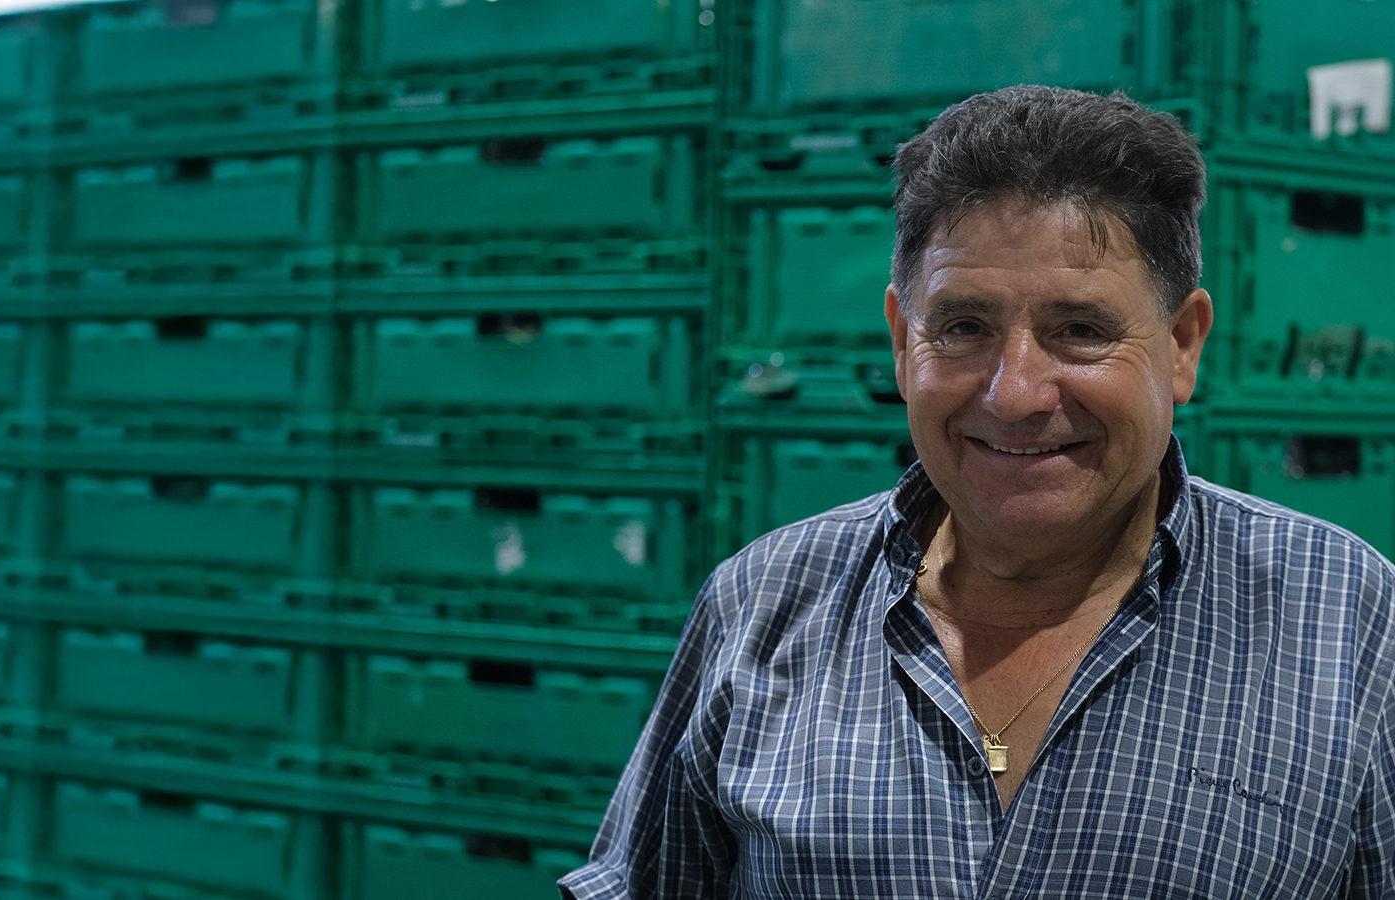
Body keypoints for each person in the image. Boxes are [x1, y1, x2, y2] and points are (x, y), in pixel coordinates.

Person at [558, 85, 1395, 899]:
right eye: (963, 328)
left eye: (1080, 330)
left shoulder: (1349, 621)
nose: (1015, 393)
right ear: (902, 343)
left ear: (1182, 346)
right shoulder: (763, 602)